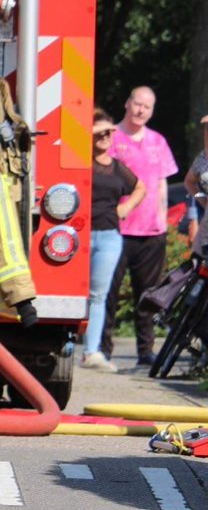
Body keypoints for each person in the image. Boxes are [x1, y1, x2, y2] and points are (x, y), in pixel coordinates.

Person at [105, 86, 178, 366]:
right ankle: (102, 349)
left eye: (146, 107)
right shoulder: (110, 137)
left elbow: (161, 183)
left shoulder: (158, 142)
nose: (140, 111)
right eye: (137, 104)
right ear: (127, 103)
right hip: (116, 229)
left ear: (151, 111)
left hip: (150, 232)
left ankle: (145, 351)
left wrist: (163, 218)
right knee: (109, 292)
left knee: (147, 295)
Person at [85, 110, 145, 372]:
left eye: (110, 132)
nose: (106, 137)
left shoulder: (117, 168)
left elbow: (141, 187)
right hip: (80, 234)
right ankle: (65, 344)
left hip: (109, 236)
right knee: (76, 294)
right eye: (100, 132)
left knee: (98, 295)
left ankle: (91, 352)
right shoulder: (81, 163)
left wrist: (126, 208)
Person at [184, 114, 208, 257]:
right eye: (206, 129)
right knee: (198, 261)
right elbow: (189, 182)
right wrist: (202, 202)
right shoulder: (202, 158)